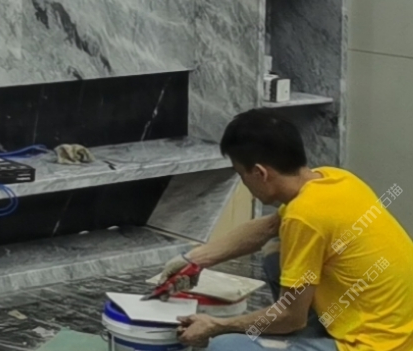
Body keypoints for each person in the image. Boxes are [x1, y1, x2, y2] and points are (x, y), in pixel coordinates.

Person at [155, 109, 413, 351]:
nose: (244, 183)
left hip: (378, 345)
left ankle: (297, 335)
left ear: (260, 173)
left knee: (225, 346)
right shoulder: (333, 179)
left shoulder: (305, 216)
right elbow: (268, 227)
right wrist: (194, 259)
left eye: (241, 174)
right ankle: (302, 334)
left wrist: (218, 326)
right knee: (276, 251)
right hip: (399, 328)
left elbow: (291, 316)